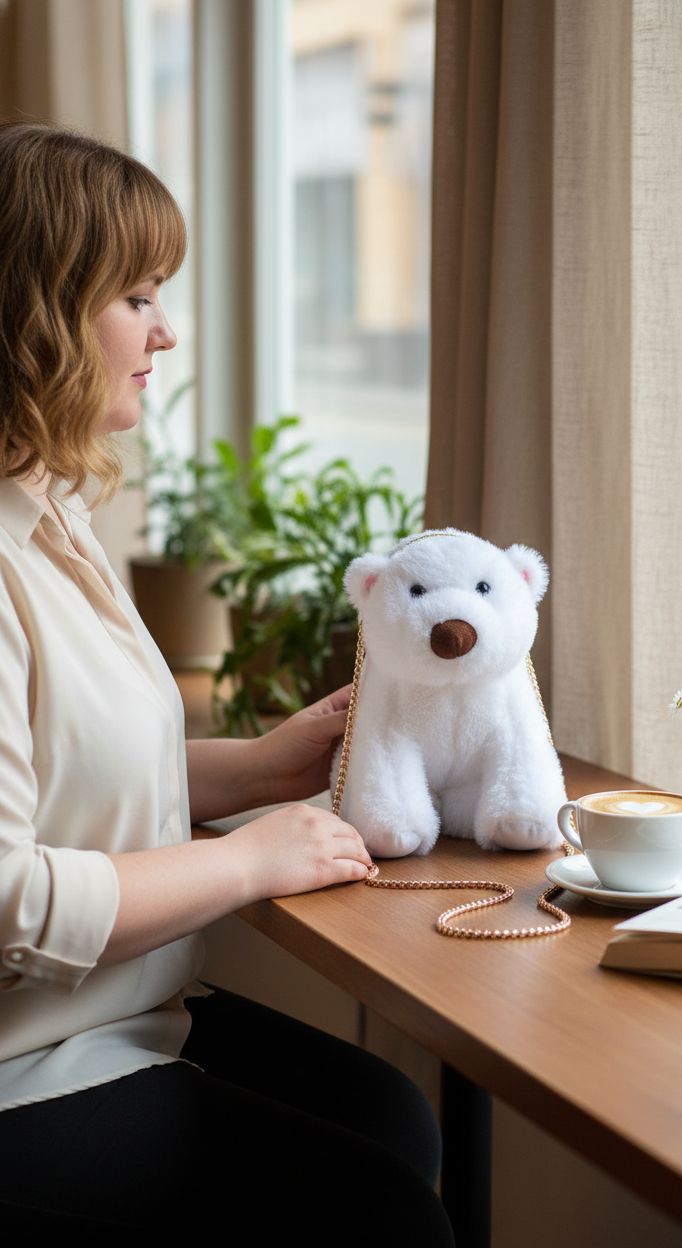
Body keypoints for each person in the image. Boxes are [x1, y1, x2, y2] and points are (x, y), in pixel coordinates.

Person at [0, 121, 454, 1243]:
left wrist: (254, 765)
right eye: (139, 295)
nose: (166, 330)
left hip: (113, 1017)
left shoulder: (48, 514)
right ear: (41, 313)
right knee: (383, 1209)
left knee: (394, 1116)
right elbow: (8, 899)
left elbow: (64, 770)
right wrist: (242, 859)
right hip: (26, 1064)